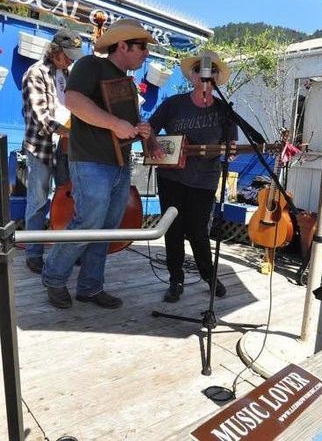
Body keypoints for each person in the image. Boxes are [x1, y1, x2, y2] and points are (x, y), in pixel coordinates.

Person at [41, 18, 156, 309]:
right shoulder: (91, 65)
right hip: (91, 161)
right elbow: (74, 102)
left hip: (119, 164)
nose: (146, 54)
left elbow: (124, 126)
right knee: (88, 223)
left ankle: (90, 287)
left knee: (108, 227)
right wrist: (116, 124)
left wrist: (138, 127)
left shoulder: (128, 84)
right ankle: (54, 277)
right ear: (122, 45)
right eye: (141, 47)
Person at [147, 50, 238, 302]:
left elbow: (231, 144)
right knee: (173, 229)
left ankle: (209, 276)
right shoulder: (173, 103)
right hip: (171, 178)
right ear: (192, 76)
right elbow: (149, 129)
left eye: (211, 71)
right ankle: (176, 279)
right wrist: (153, 144)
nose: (205, 75)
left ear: (217, 78)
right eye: (199, 69)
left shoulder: (224, 110)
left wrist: (230, 154)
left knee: (198, 230)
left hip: (205, 179)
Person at [22, 28, 83, 274]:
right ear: (54, 50)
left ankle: (65, 251)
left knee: (70, 200)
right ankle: (33, 252)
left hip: (67, 146)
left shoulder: (69, 74)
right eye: (67, 55)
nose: (70, 60)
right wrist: (72, 132)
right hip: (42, 146)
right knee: (38, 201)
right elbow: (40, 118)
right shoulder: (34, 73)